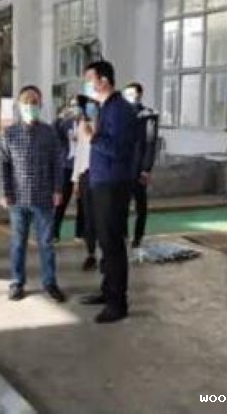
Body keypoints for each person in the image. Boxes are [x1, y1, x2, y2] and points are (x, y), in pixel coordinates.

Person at [79, 60, 139, 323]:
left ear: (103, 81)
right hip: (101, 181)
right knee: (105, 241)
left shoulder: (120, 110)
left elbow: (119, 150)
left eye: (89, 80)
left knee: (113, 244)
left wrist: (92, 137)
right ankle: (107, 291)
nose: (87, 85)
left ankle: (118, 303)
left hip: (113, 184)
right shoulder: (106, 108)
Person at [0, 85, 67, 303]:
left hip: (44, 198)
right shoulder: (9, 133)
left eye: (34, 102)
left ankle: (50, 282)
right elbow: (2, 166)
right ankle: (17, 282)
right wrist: (4, 192)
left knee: (46, 243)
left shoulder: (49, 132)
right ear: (19, 106)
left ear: (41, 105)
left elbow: (57, 164)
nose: (30, 107)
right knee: (18, 243)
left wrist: (58, 189)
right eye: (26, 103)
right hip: (17, 199)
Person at [123, 82, 159, 249]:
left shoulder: (148, 116)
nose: (130, 97)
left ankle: (138, 238)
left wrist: (146, 168)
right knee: (121, 205)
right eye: (127, 94)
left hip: (138, 169)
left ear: (140, 94)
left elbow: (150, 143)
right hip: (122, 169)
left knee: (140, 206)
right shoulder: (121, 114)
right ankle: (123, 235)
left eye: (132, 93)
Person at [71, 98, 100, 271]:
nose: (90, 111)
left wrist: (92, 135)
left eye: (93, 107)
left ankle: (107, 254)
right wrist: (76, 179)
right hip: (85, 175)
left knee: (102, 216)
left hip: (102, 176)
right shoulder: (83, 125)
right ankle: (91, 254)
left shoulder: (105, 126)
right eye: (88, 108)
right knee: (88, 216)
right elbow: (80, 153)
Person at [53, 97, 84, 242]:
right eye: (72, 105)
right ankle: (54, 232)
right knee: (62, 200)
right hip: (67, 166)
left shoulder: (87, 123)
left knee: (82, 201)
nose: (74, 108)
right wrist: (60, 117)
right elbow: (54, 134)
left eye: (77, 105)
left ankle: (80, 233)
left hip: (82, 166)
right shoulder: (64, 123)